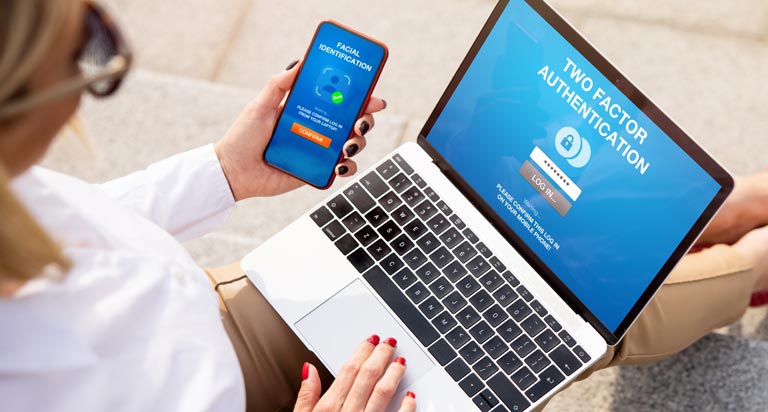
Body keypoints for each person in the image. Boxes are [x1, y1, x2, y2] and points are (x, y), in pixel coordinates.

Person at [1, 1, 767, 412]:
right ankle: (744, 255)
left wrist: (224, 173)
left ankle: (719, 219)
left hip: (216, 306)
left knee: (481, 227)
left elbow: (53, 229)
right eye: (91, 51)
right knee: (582, 317)